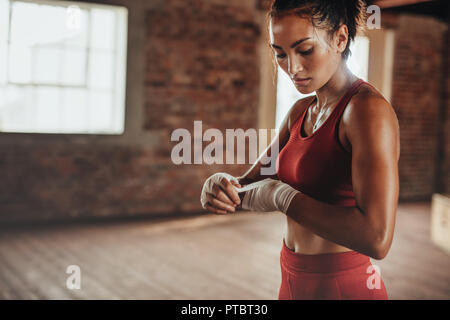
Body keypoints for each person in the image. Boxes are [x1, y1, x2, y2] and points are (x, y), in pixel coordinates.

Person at [200, 0, 400, 300]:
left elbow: (377, 238)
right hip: (292, 278)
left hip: (344, 286)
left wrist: (281, 196)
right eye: (279, 53)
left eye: (305, 50)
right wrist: (220, 186)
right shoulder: (300, 111)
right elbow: (250, 186)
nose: (291, 68)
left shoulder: (366, 111)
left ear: (340, 38)